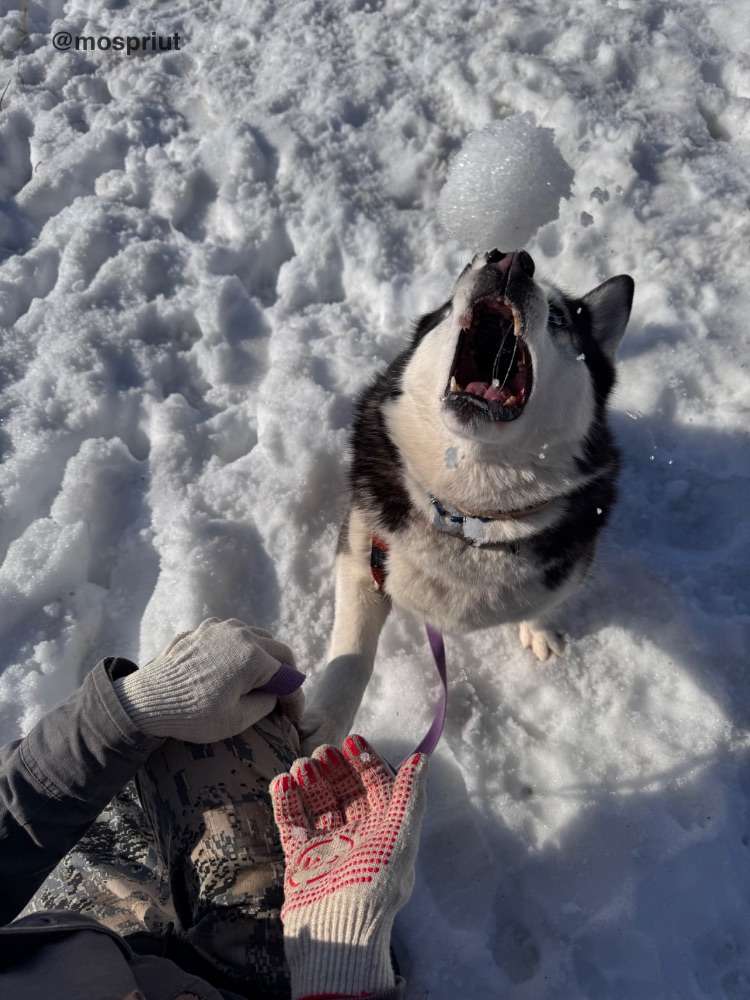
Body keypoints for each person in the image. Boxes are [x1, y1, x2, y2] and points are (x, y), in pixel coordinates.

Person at [0, 618, 428, 999]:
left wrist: (136, 708)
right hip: (269, 982)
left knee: (221, 697)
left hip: (69, 941)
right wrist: (341, 973)